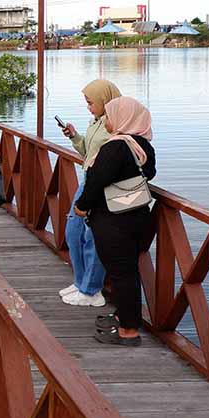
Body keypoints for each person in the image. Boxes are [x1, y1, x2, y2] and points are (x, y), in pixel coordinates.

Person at [74, 97, 155, 346]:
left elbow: (96, 180)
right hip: (138, 217)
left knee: (122, 274)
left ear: (122, 118)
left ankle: (128, 331)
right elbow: (149, 173)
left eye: (109, 116)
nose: (107, 121)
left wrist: (81, 206)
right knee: (127, 270)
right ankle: (124, 317)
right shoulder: (142, 145)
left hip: (114, 220)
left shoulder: (115, 147)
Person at [58, 79, 122, 307]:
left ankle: (91, 289)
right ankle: (80, 282)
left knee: (92, 236)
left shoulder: (116, 125)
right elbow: (88, 152)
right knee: (73, 231)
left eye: (91, 102)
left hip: (101, 186)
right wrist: (74, 136)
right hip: (87, 180)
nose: (88, 106)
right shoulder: (96, 122)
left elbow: (113, 159)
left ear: (105, 100)